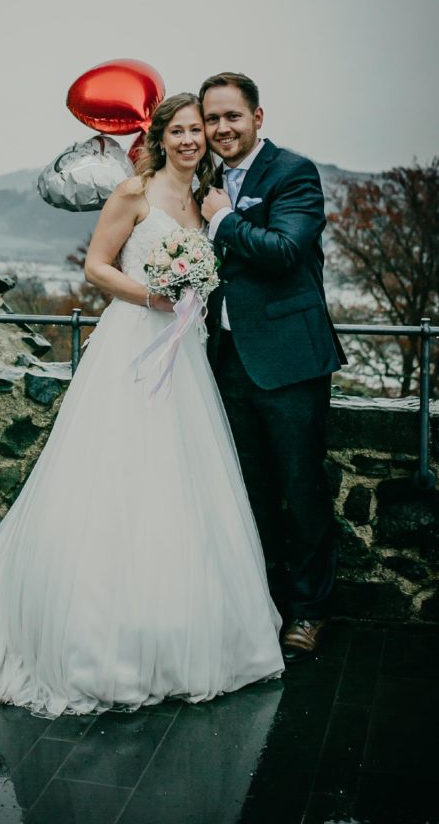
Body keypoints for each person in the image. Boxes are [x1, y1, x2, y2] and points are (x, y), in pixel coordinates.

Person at [0, 93, 284, 717]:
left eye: (199, 131)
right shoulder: (134, 192)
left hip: (185, 357)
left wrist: (189, 296)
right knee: (114, 481)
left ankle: (177, 629)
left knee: (180, 488)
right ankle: (98, 637)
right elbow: (98, 268)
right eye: (180, 130)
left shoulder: (207, 201)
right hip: (134, 347)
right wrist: (153, 295)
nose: (191, 140)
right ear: (160, 137)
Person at [200, 72, 345, 662]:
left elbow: (286, 251)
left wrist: (222, 218)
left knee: (301, 489)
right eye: (212, 119)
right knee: (249, 491)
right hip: (228, 361)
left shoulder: (293, 173)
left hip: (289, 361)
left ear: (258, 118)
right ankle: (259, 604)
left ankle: (308, 612)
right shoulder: (204, 179)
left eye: (232, 116)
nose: (220, 129)